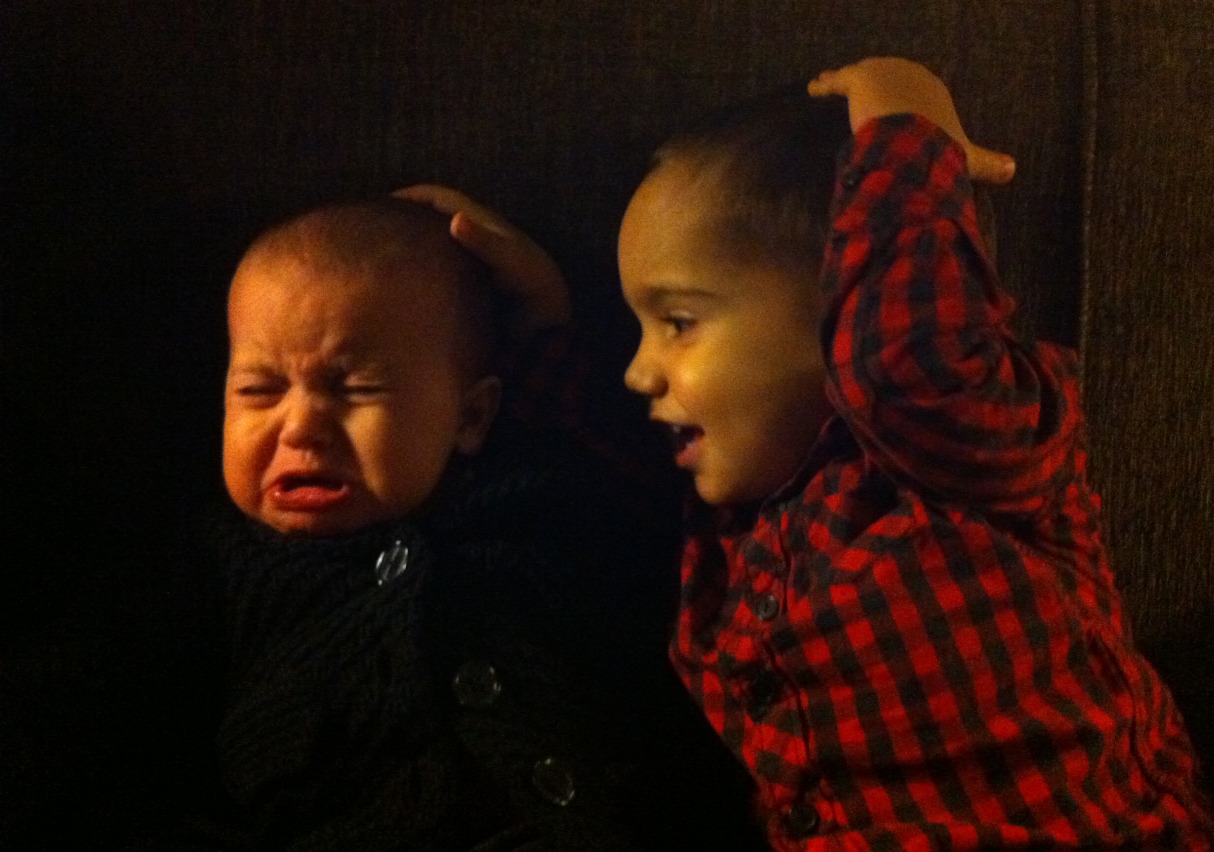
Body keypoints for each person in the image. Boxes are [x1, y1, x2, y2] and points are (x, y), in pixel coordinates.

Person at [425, 59, 1214, 849]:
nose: (639, 371)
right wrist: (538, 315)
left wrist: (907, 123)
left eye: (678, 322)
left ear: (840, 297)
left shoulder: (967, 447)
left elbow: (904, 360)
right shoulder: (723, 522)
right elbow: (589, 458)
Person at [132, 197, 767, 851]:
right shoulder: (215, 574)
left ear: (471, 417)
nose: (300, 427)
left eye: (357, 389)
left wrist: (546, 322)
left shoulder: (533, 502)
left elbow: (643, 484)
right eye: (259, 390)